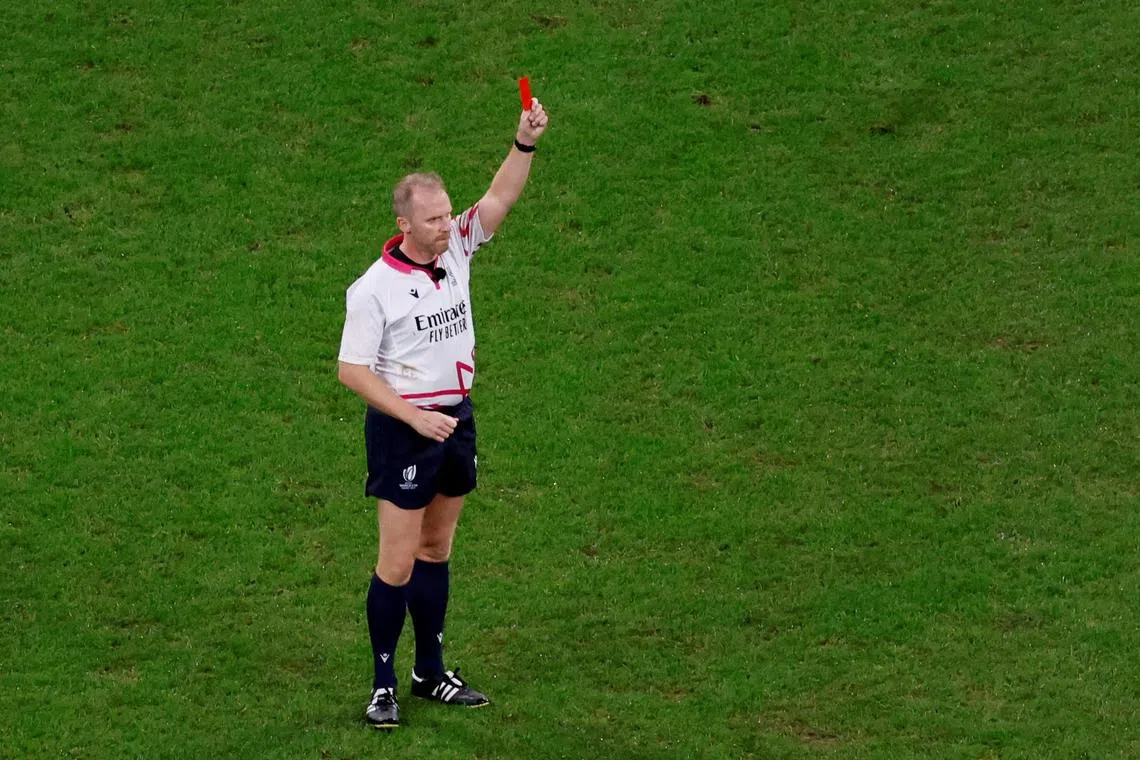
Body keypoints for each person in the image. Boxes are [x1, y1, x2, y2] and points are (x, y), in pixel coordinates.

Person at [337, 97, 549, 729]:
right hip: (406, 431)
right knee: (396, 562)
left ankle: (429, 673)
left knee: (436, 549)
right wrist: (412, 417)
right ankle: (382, 684)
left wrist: (524, 142)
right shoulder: (373, 288)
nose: (446, 224)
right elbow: (352, 370)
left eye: (446, 213)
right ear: (403, 222)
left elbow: (500, 200)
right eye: (431, 219)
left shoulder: (456, 247)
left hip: (456, 421)